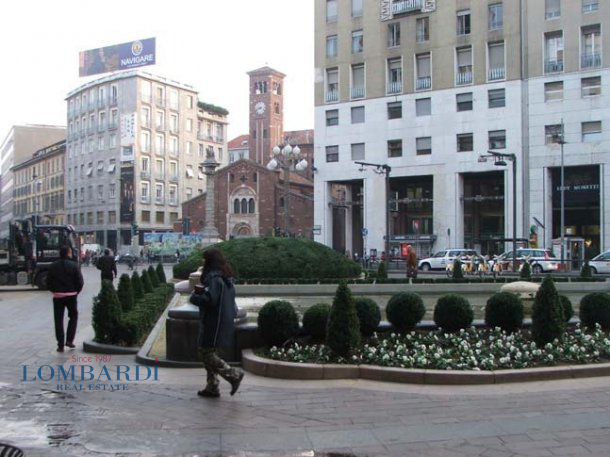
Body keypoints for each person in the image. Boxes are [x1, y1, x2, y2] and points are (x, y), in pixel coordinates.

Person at [189, 249, 244, 398]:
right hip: (223, 321)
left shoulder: (213, 279)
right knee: (209, 352)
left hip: (214, 322)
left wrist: (195, 296)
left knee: (205, 352)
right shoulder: (226, 278)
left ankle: (233, 374)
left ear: (210, 262)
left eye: (204, 260)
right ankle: (212, 386)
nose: (202, 263)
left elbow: (210, 300)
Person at [47, 245, 84, 352]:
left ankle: (60, 345)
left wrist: (54, 291)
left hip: (58, 296)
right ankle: (69, 340)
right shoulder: (74, 265)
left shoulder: (53, 266)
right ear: (68, 253)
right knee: (73, 316)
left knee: (58, 320)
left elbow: (48, 282)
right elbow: (80, 281)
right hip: (71, 295)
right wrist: (76, 291)